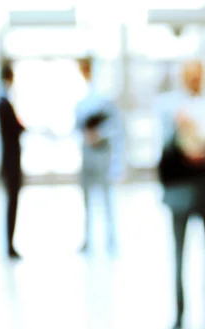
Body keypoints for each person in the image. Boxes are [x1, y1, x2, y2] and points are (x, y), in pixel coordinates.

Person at [156, 59, 205, 329]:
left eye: (198, 75)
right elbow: (162, 151)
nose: (194, 80)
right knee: (179, 253)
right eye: (190, 75)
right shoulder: (170, 107)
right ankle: (179, 314)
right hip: (179, 189)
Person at [75, 57, 124, 253]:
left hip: (102, 153)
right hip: (87, 153)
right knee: (87, 199)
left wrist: (99, 134)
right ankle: (88, 239)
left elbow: (116, 125)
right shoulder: (81, 99)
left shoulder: (104, 97)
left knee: (106, 198)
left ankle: (111, 238)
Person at [0, 61, 25, 259]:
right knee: (11, 203)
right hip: (11, 161)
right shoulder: (4, 103)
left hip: (9, 160)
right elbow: (15, 129)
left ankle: (10, 244)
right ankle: (9, 245)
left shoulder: (3, 102)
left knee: (11, 203)